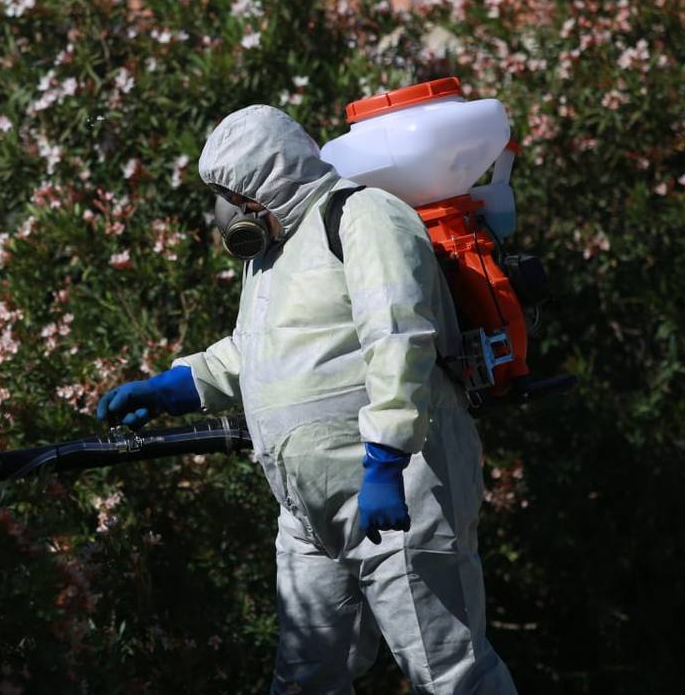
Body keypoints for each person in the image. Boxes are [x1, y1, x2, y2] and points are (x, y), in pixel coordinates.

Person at [96, 104, 516, 694]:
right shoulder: (271, 257)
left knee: (447, 669)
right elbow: (261, 353)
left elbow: (398, 335)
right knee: (304, 679)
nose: (229, 213)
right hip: (308, 510)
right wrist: (176, 387)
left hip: (401, 487)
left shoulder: (360, 214)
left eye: (234, 195)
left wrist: (387, 462)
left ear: (266, 177)